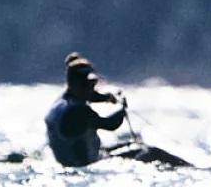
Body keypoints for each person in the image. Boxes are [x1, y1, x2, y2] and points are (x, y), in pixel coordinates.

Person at [43, 53, 191, 168]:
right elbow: (110, 124)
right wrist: (122, 110)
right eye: (87, 84)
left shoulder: (61, 103)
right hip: (84, 166)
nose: (92, 88)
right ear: (74, 83)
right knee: (152, 152)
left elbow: (91, 96)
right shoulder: (79, 112)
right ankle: (190, 169)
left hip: (71, 161)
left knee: (129, 145)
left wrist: (108, 97)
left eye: (94, 83)